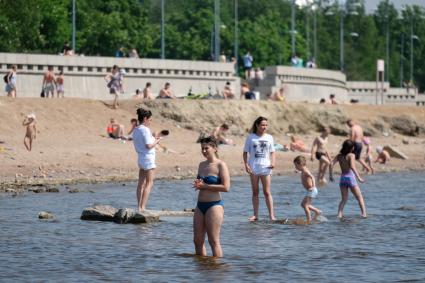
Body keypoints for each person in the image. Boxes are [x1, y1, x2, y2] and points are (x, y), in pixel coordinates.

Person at [193, 136, 230, 258]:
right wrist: (198, 185)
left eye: (206, 148)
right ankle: (201, 267)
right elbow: (201, 183)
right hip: (200, 205)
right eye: (202, 148)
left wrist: (205, 186)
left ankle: (216, 269)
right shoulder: (201, 165)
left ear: (214, 148)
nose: (204, 151)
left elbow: (226, 187)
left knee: (213, 241)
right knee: (197, 241)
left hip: (214, 205)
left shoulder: (221, 165)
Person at [243, 116, 276, 221]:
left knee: (267, 192)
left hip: (266, 167)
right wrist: (246, 165)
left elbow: (272, 152)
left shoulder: (269, 137)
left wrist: (273, 162)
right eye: (262, 125)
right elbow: (245, 152)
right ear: (257, 125)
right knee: (255, 192)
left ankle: (272, 216)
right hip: (253, 167)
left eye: (266, 125)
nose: (264, 127)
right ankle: (256, 215)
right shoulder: (250, 137)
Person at [132, 108, 162, 211]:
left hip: (140, 158)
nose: (150, 121)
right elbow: (149, 145)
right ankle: (142, 207)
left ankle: (139, 206)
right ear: (145, 119)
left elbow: (143, 143)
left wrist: (154, 138)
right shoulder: (145, 129)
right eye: (150, 119)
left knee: (141, 183)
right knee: (149, 183)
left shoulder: (136, 129)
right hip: (148, 158)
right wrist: (157, 141)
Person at [329, 139, 367, 219]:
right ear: (352, 148)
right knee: (359, 197)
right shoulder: (351, 155)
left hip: (342, 178)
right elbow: (352, 167)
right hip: (350, 177)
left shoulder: (339, 156)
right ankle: (364, 214)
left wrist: (331, 176)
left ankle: (339, 215)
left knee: (344, 199)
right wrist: (359, 177)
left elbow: (331, 164)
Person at [293, 156, 322, 223]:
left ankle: (309, 220)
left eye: (296, 166)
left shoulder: (305, 171)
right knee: (303, 204)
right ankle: (317, 211)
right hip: (310, 190)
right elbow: (304, 175)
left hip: (312, 190)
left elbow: (312, 177)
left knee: (305, 205)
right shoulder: (303, 171)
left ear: (300, 164)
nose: (295, 167)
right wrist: (299, 172)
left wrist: (313, 186)